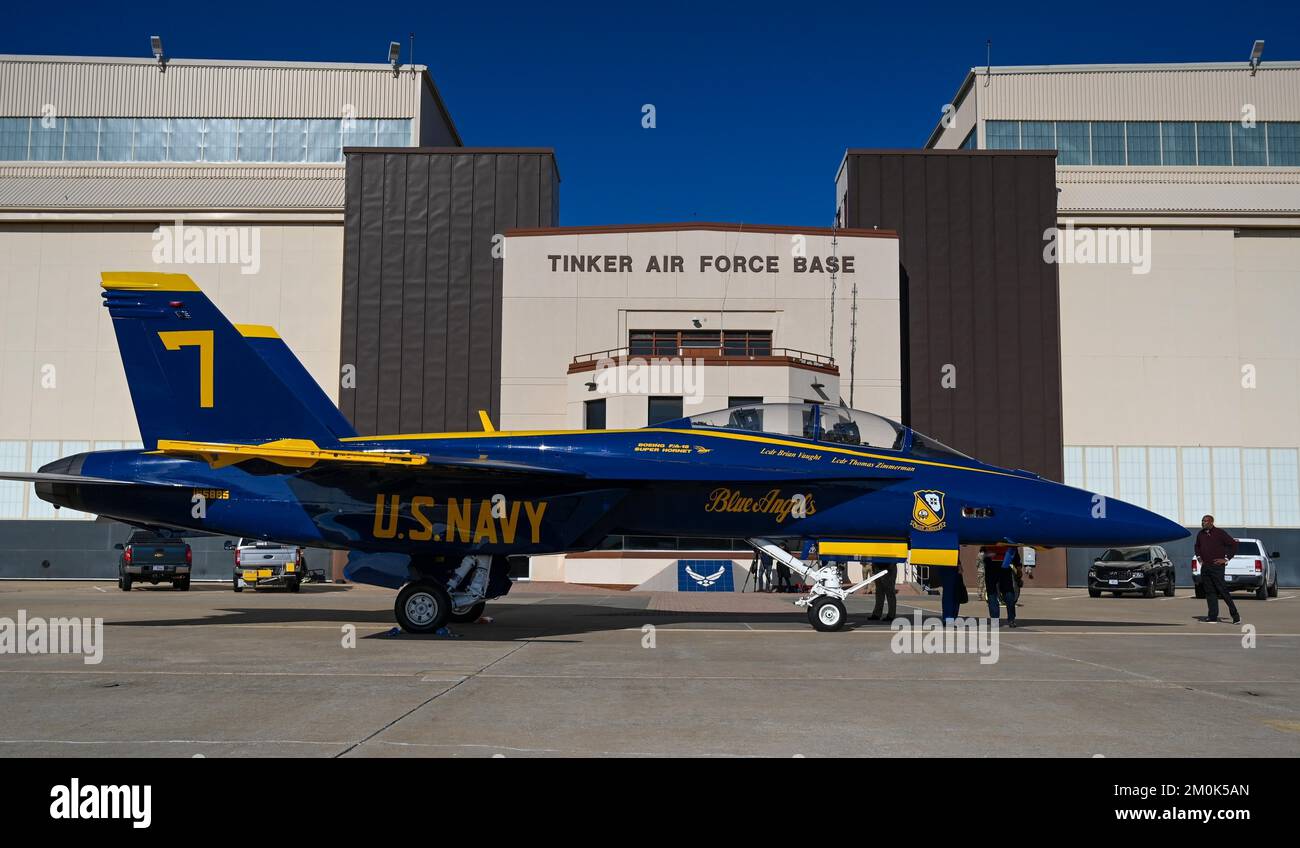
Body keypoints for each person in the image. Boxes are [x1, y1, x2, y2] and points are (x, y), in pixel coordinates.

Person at [1195, 514, 1241, 624]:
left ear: (1211, 522)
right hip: (1205, 567)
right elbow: (1197, 546)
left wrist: (1225, 559)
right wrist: (1199, 558)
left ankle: (1235, 616)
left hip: (1217, 567)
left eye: (1205, 521)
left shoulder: (1220, 533)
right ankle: (1212, 617)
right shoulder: (1200, 534)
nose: (1203, 523)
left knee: (1222, 590)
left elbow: (1233, 545)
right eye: (1202, 521)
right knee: (1210, 592)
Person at [986, 546, 1019, 628]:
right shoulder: (1007, 537)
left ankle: (995, 620)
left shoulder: (989, 537)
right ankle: (1011, 619)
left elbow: (983, 552)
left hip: (991, 566)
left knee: (992, 593)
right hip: (1005, 565)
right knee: (1008, 592)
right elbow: (1014, 550)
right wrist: (1018, 566)